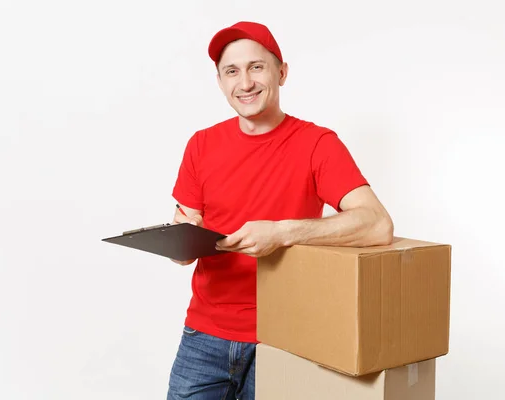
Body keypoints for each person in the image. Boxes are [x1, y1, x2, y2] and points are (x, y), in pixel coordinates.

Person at [166, 21, 394, 399]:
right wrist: (182, 235)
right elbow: (183, 234)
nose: (245, 83)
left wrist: (282, 232)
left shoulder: (318, 144)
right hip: (204, 335)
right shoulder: (201, 145)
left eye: (257, 67)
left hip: (285, 336)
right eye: (232, 72)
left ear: (281, 72)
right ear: (221, 82)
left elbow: (377, 224)